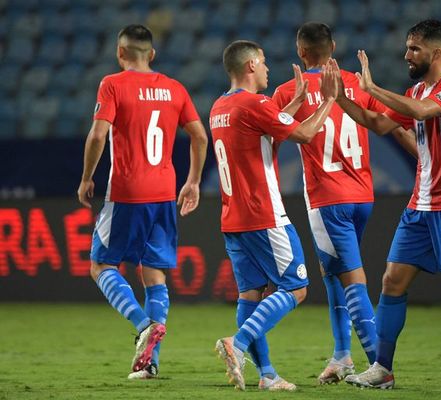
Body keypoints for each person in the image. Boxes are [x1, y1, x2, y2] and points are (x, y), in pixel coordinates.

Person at [330, 19, 441, 390]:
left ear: (436, 52)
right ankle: (382, 369)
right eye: (407, 47)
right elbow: (378, 124)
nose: (407, 54)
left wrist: (372, 87)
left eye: (414, 48)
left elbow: (424, 112)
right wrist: (341, 98)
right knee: (392, 280)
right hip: (420, 204)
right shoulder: (418, 90)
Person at [272, 22, 417, 385]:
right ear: (334, 46)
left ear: (301, 52)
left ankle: (378, 367)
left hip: (327, 199)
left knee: (352, 280)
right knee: (333, 274)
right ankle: (341, 355)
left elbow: (268, 136)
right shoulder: (353, 82)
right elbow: (390, 124)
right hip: (362, 196)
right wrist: (423, 159)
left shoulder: (290, 90)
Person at [76, 24, 208, 380]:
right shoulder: (175, 88)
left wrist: (88, 177)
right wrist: (193, 181)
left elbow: (98, 134)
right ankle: (149, 363)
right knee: (153, 273)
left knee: (100, 265)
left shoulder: (113, 83)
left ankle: (142, 324)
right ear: (152, 54)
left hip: (127, 191)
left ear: (120, 53)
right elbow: (199, 135)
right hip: (165, 192)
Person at [211, 40, 338, 391]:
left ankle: (266, 375)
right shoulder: (255, 104)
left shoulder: (220, 106)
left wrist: (295, 103)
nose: (268, 68)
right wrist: (329, 98)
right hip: (263, 216)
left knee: (251, 295)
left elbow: (264, 136)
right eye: (264, 62)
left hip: (232, 219)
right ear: (251, 65)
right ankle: (236, 344)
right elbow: (306, 134)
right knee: (295, 288)